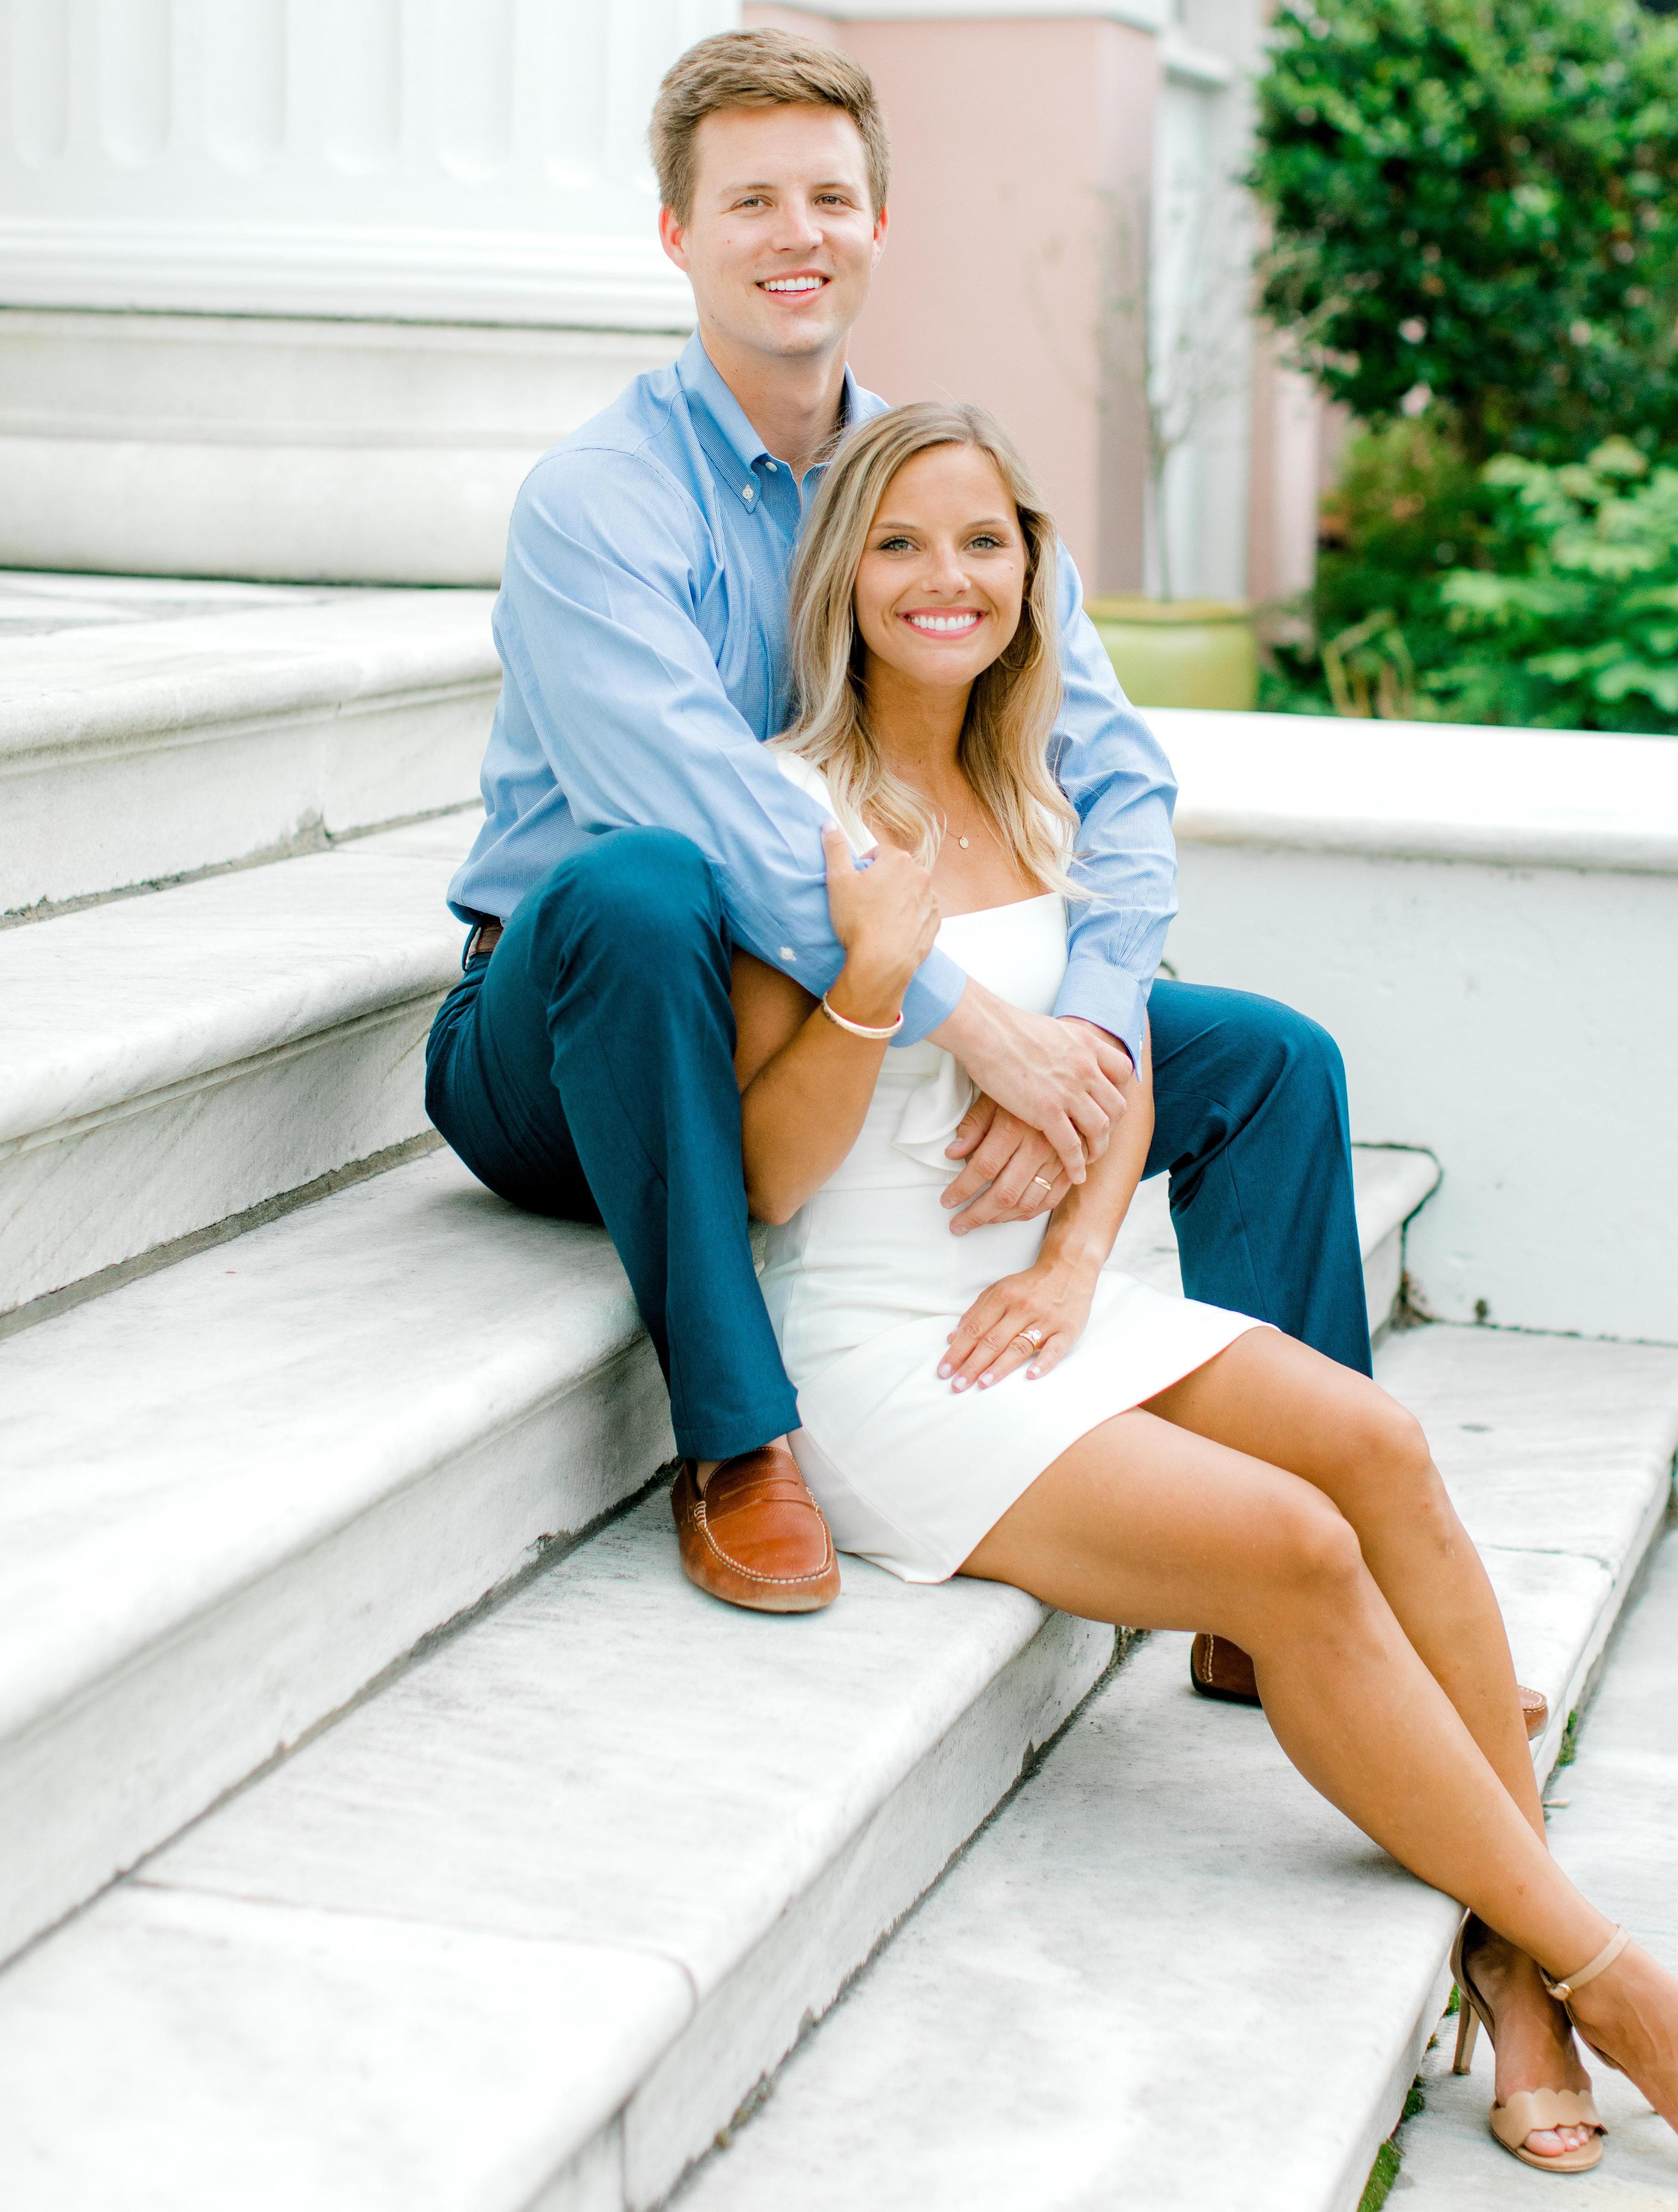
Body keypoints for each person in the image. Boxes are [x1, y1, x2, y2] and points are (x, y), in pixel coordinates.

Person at [728, 396, 1678, 2191]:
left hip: (1049, 1296)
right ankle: (1611, 1980)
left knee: (1379, 1446)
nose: (948, 578)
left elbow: (1123, 1050)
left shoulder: (1035, 788)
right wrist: (874, 978)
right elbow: (772, 1173)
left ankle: (1506, 1951)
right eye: (902, 543)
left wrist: (1085, 1250)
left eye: (986, 542)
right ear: (841, 575)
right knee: (1297, 1549)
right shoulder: (790, 806)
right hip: (891, 1343)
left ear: (1035, 571)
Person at [426, 25, 1370, 1643]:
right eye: (750, 204)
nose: (797, 234)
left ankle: (1298, 1583)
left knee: (1272, 1064)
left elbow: (1120, 783)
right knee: (644, 890)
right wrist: (973, 1026)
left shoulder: (940, 483)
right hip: (582, 1028)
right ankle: (737, 1441)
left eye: (831, 198)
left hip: (845, 1025)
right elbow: (709, 816)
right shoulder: (598, 503)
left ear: (880, 225)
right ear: (677, 235)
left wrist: (1082, 1024)